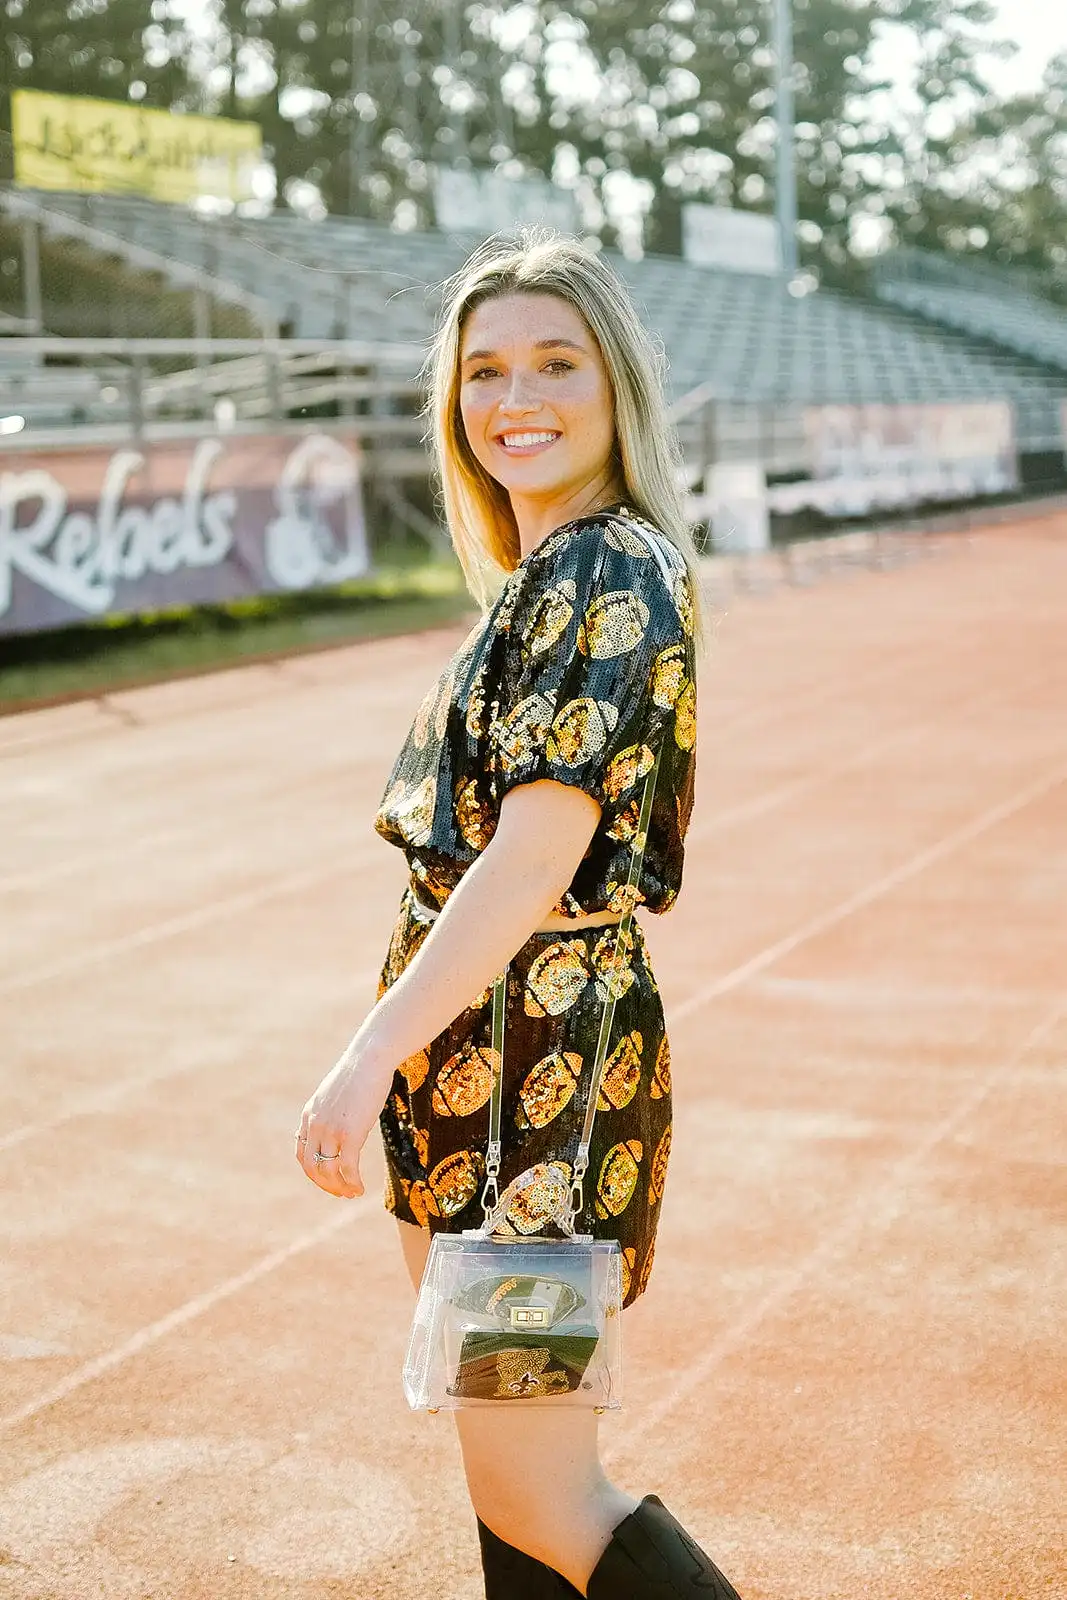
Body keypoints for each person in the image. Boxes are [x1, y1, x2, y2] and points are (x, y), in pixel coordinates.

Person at [295, 229, 743, 1599]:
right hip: (492, 1073)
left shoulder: (606, 569)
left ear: (615, 383)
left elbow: (534, 852)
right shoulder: (557, 571)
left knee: (547, 1493)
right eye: (482, 369)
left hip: (532, 1094)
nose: (514, 396)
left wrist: (367, 1050)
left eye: (555, 361)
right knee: (507, 1491)